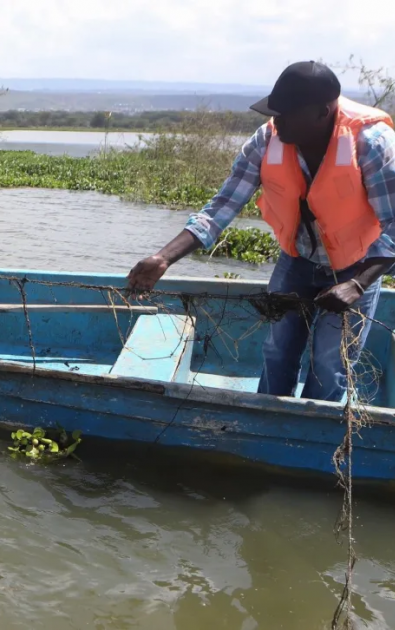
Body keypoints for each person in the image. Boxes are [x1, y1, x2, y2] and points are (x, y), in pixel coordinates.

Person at [126, 61, 395, 402]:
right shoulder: (268, 139)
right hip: (297, 260)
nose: (276, 120)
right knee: (277, 350)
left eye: (286, 113)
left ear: (321, 113)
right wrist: (163, 258)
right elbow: (222, 206)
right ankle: (267, 423)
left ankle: (311, 437)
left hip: (357, 266)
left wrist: (357, 284)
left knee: (330, 363)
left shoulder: (372, 142)